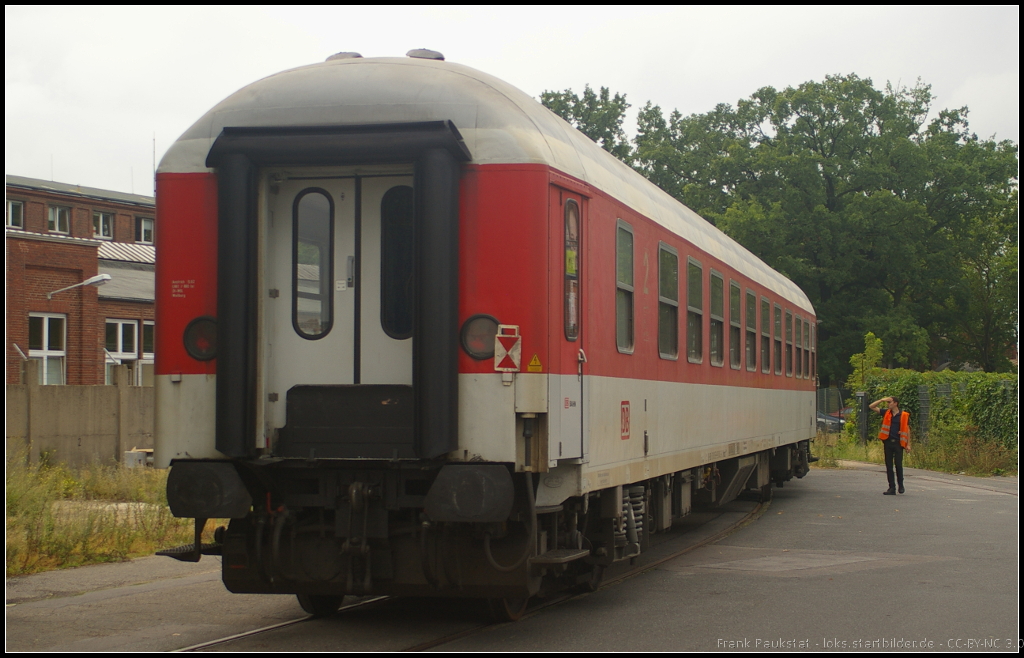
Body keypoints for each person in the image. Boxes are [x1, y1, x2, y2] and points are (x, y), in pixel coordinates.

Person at [868, 396, 911, 495]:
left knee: (898, 465)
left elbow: (907, 429)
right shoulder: (886, 412)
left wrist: (908, 444)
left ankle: (901, 485)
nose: (888, 404)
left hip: (898, 443)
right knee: (889, 466)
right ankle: (892, 487)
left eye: (890, 402)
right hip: (887, 442)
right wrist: (882, 400)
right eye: (887, 403)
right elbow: (871, 406)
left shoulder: (903, 415)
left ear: (896, 403)